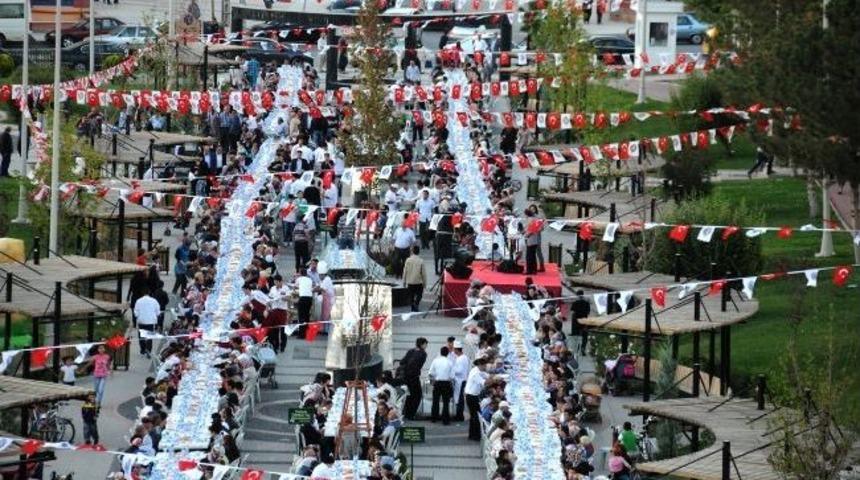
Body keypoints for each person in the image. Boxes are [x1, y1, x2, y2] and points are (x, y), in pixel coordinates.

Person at [398, 337, 428, 420]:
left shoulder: (411, 351)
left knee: (410, 395)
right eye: (425, 344)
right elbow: (418, 365)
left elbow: (402, 362)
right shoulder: (423, 354)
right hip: (414, 377)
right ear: (422, 344)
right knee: (417, 395)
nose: (426, 346)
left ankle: (406, 413)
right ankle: (411, 414)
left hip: (406, 377)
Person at [428, 346, 454, 425]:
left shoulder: (435, 361)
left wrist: (433, 380)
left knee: (435, 401)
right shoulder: (450, 362)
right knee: (446, 402)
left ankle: (434, 418)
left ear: (440, 352)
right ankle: (445, 420)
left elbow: (431, 373)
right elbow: (452, 376)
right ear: (448, 353)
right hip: (446, 383)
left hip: (437, 382)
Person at [464, 357, 488, 441]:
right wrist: (494, 380)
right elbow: (484, 382)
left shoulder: (478, 370)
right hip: (471, 396)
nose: (485, 367)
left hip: (473, 396)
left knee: (474, 416)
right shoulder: (475, 373)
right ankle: (476, 435)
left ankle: (472, 435)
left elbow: (486, 376)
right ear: (480, 365)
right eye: (485, 366)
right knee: (476, 416)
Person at [134, 288, 160, 358]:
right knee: (150, 336)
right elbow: (158, 311)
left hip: (141, 321)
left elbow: (136, 313)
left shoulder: (138, 301)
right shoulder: (154, 301)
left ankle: (142, 350)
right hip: (151, 321)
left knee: (141, 336)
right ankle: (148, 350)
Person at [401, 246, 426, 312]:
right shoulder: (421, 261)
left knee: (411, 295)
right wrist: (425, 283)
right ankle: (416, 304)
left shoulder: (408, 260)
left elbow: (405, 271)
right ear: (418, 252)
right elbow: (424, 274)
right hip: (418, 281)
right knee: (419, 294)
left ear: (412, 251)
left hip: (410, 281)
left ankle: (412, 306)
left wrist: (404, 281)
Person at [451, 340, 470, 422]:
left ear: (456, 349)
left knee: (459, 399)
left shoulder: (461, 359)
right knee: (459, 398)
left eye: (454, 349)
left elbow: (459, 371)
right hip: (461, 380)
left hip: (460, 380)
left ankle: (459, 416)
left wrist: (452, 369)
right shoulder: (463, 357)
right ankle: (459, 415)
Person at [571, 289, 591, 354]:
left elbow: (572, 311)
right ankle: (583, 348)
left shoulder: (575, 302)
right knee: (584, 336)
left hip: (576, 321)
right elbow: (588, 312)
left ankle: (577, 348)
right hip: (584, 321)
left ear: (577, 295)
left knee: (576, 335)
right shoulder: (587, 302)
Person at [295, 267, 314, 335]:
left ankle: (301, 333)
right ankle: (307, 332)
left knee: (301, 316)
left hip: (302, 298)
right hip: (309, 298)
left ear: (300, 273)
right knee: (307, 315)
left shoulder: (299, 279)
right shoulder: (310, 279)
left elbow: (295, 287)